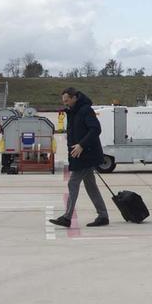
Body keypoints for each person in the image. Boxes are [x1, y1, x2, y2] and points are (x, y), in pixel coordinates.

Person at [52, 86, 109, 228]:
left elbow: (96, 129)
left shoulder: (85, 110)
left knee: (73, 183)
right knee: (91, 186)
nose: (65, 103)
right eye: (63, 101)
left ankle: (67, 217)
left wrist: (81, 145)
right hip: (79, 154)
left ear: (74, 98)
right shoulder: (73, 112)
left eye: (67, 100)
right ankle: (103, 216)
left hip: (86, 154)